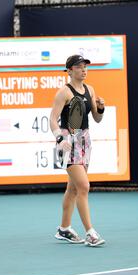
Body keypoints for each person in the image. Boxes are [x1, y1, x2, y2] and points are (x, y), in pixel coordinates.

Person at [49, 54, 106, 247]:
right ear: (70, 70)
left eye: (85, 66)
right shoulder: (63, 92)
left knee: (72, 189)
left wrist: (100, 108)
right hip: (66, 142)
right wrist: (59, 139)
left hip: (85, 141)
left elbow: (97, 119)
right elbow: (52, 119)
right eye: (79, 67)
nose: (84, 69)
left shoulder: (90, 89)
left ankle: (64, 229)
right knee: (83, 187)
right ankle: (90, 233)